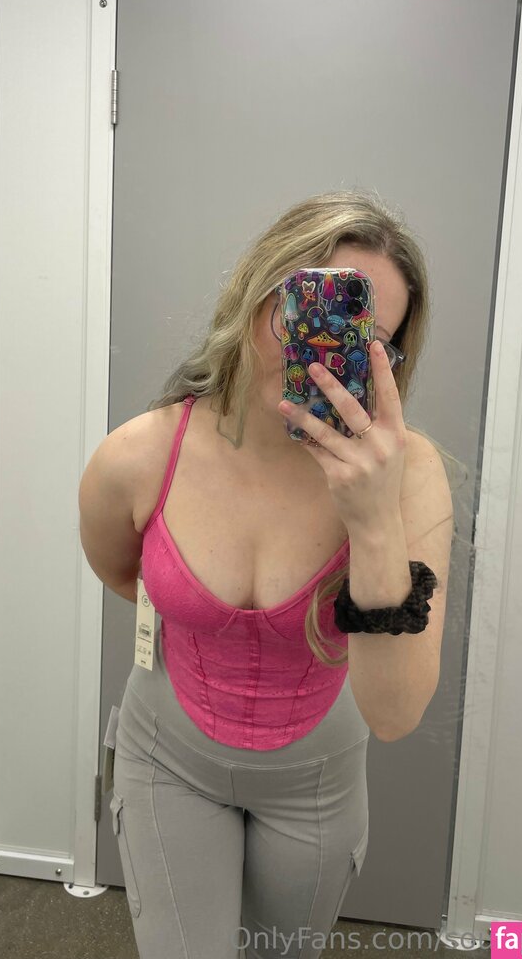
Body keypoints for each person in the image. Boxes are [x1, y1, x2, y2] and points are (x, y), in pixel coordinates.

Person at [79, 189, 455, 958]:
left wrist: (372, 520)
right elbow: (122, 572)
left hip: (317, 781)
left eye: (366, 341)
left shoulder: (408, 475)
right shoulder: (139, 454)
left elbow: (393, 713)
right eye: (314, 313)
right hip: (166, 759)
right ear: (257, 291)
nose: (323, 355)